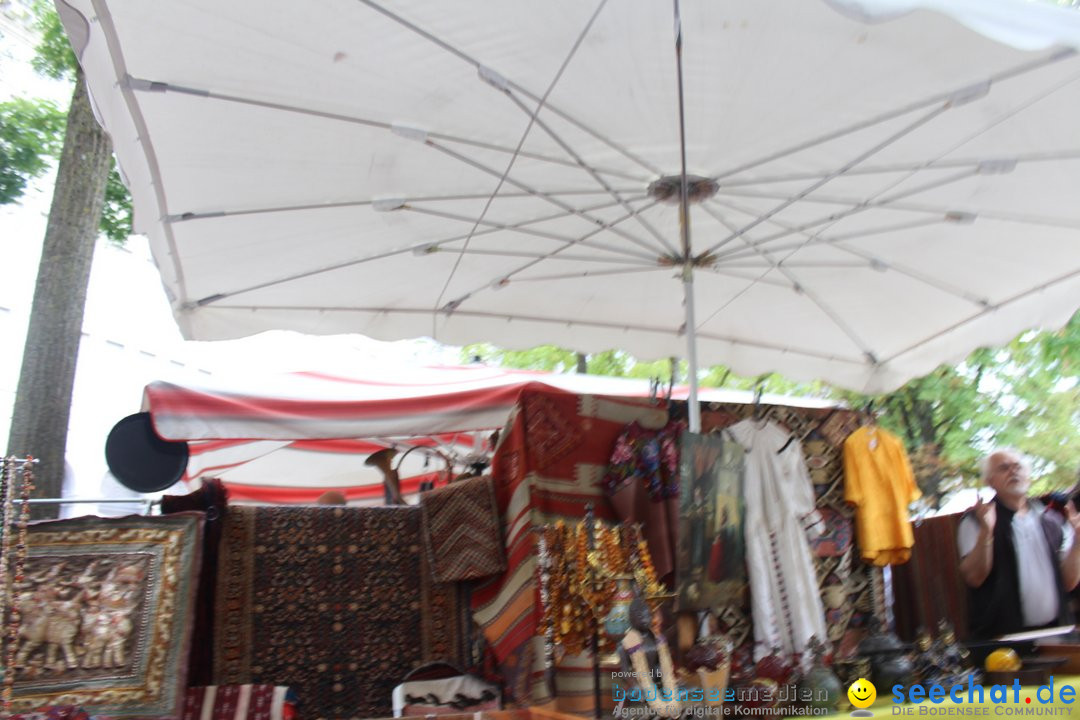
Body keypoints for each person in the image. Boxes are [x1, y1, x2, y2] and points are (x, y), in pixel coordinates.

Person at [957, 448, 1080, 639]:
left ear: (1028, 476)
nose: (1013, 471)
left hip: (1056, 633)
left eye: (1017, 467)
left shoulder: (1052, 520)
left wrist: (1078, 541)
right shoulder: (975, 520)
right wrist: (986, 532)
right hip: (1005, 639)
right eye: (1004, 468)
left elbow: (1069, 582)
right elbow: (974, 577)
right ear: (990, 481)